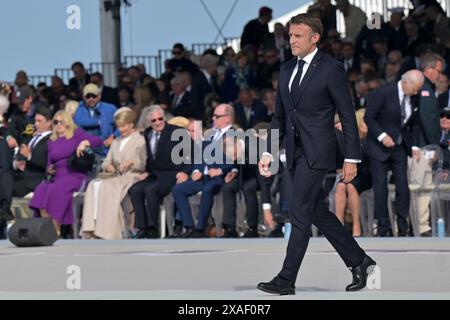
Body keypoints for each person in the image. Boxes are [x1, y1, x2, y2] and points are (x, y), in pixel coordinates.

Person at [257, 13, 375, 295]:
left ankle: (286, 279)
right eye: (290, 36)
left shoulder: (331, 69)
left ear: (315, 38)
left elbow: (347, 115)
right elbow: (279, 117)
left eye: (298, 36)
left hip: (319, 153)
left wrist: (351, 158)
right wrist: (269, 152)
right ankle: (360, 261)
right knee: (317, 212)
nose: (292, 41)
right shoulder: (286, 69)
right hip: (293, 154)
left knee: (299, 212)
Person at [365, 70, 424, 237]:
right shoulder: (382, 93)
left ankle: (402, 225)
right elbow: (369, 118)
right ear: (406, 83)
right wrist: (382, 137)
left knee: (403, 187)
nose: (416, 92)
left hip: (399, 146)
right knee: (380, 187)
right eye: (415, 88)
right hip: (379, 147)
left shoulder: (413, 96)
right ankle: (383, 226)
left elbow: (413, 123)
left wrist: (413, 147)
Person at [29, 111, 103, 235]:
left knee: (56, 189)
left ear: (68, 123)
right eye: (55, 122)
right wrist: (49, 169)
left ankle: (55, 227)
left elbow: (98, 140)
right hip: (57, 175)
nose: (58, 125)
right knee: (41, 189)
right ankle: (49, 228)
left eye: (61, 122)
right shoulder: (51, 141)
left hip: (74, 174)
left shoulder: (76, 135)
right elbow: (49, 162)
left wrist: (84, 143)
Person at [81, 108, 146, 240]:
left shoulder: (140, 140)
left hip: (131, 176)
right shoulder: (116, 142)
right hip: (114, 176)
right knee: (94, 184)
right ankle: (91, 228)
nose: (121, 129)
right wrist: (108, 166)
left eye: (124, 126)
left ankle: (107, 231)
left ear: (131, 124)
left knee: (107, 187)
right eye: (119, 127)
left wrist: (131, 162)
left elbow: (144, 163)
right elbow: (106, 161)